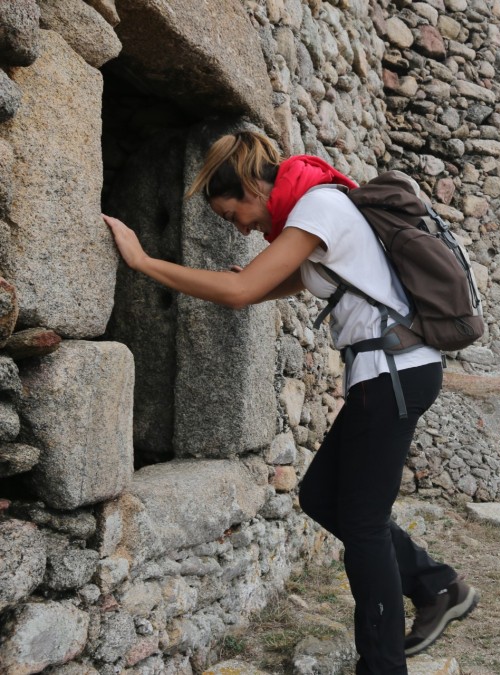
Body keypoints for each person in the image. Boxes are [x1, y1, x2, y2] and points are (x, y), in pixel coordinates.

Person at [103, 131, 477, 674]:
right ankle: (437, 584)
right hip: (388, 374)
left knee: (364, 524)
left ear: (255, 185)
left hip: (394, 374)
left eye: (235, 212)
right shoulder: (315, 206)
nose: (240, 227)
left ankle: (383, 664)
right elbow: (316, 278)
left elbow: (240, 294)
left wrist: (143, 261)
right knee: (323, 496)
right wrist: (257, 280)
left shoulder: (317, 205)